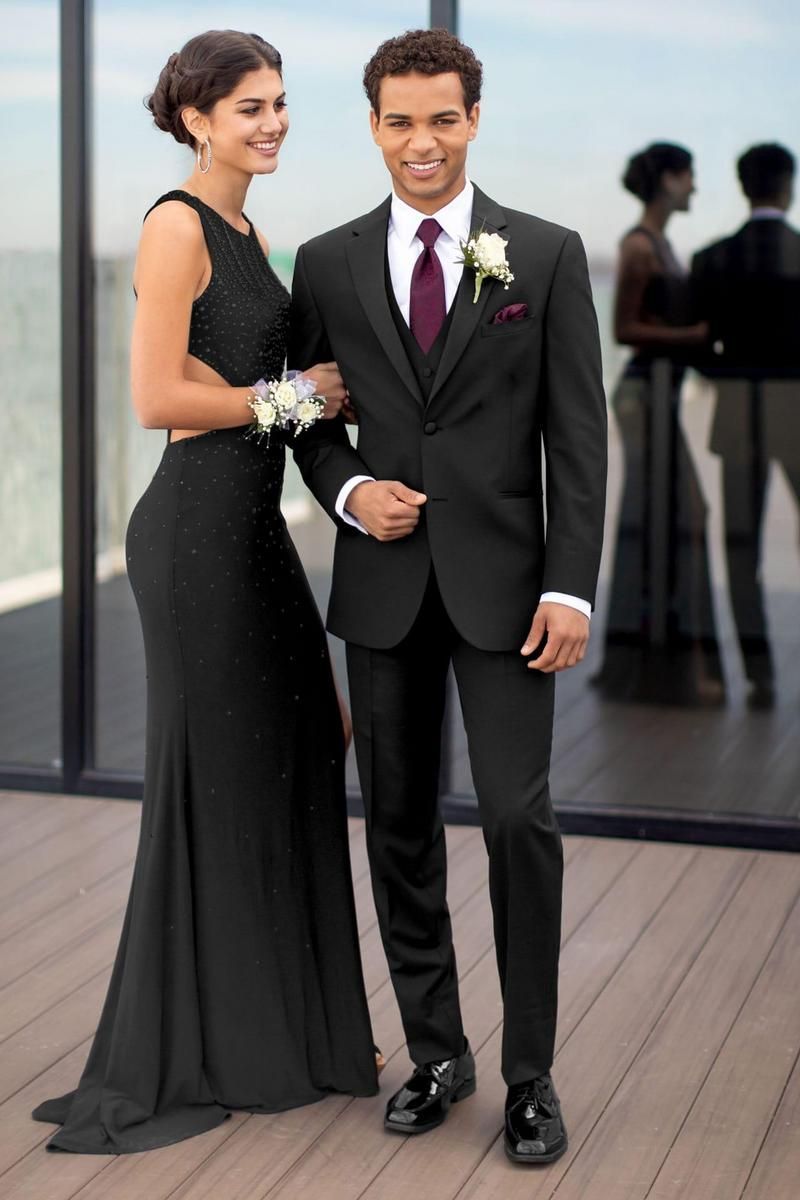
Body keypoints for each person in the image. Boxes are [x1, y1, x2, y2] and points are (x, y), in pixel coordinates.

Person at [31, 29, 378, 1154]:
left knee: (305, 743)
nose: (271, 123)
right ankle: (222, 1041)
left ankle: (291, 1020)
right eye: (248, 109)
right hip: (191, 539)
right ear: (194, 119)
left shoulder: (247, 228)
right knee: (220, 775)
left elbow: (274, 382)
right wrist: (294, 399)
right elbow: (153, 398)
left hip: (253, 534)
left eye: (278, 103)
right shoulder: (176, 225)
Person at [289, 29, 607, 1165]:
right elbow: (314, 422)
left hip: (511, 596)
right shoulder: (322, 262)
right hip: (381, 591)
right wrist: (351, 487)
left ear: (472, 118)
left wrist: (570, 586)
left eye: (441, 118)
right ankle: (436, 1051)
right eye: (398, 120)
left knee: (520, 821)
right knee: (401, 829)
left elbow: (578, 440)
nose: (420, 142)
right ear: (372, 125)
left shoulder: (547, 253)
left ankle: (530, 1076)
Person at [591, 143, 724, 706]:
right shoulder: (639, 246)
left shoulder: (661, 245)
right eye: (689, 176)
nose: (694, 187)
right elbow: (623, 329)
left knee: (671, 514)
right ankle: (645, 663)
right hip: (644, 394)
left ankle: (656, 660)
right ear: (669, 180)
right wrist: (695, 337)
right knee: (671, 513)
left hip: (661, 394)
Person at [691, 143, 800, 708]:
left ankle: (760, 676)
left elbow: (696, 343)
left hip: (736, 413)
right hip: (796, 412)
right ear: (788, 185)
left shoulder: (713, 258)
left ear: (743, 186)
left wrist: (729, 374)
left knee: (740, 548)